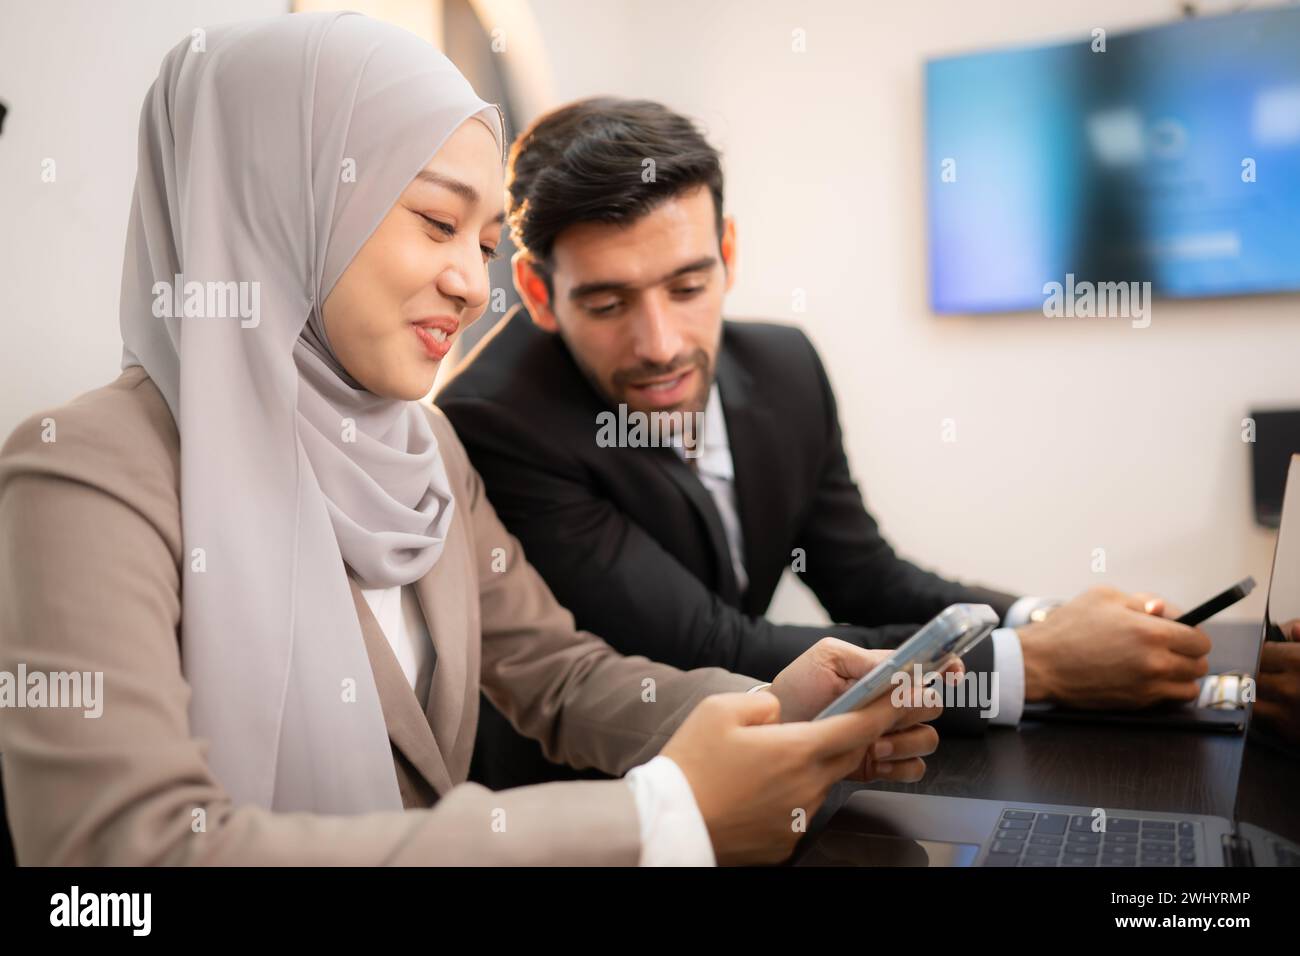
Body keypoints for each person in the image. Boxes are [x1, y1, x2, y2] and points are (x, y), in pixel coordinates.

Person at [0, 14, 948, 867]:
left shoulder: (422, 449)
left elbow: (561, 675)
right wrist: (658, 819)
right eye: (436, 222)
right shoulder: (85, 472)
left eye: (487, 244)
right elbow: (123, 855)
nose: (469, 281)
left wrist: (767, 708)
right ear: (279, 200)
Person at [435, 97, 1212, 790]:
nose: (661, 344)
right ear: (538, 292)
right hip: (598, 805)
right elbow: (705, 644)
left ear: (729, 253)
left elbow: (866, 576)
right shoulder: (496, 418)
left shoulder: (784, 365)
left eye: (688, 286)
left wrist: (1049, 618)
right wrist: (1035, 665)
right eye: (607, 303)